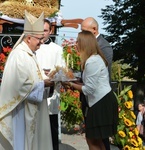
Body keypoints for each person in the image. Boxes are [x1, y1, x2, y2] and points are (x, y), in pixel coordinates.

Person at [0, 11, 53, 150]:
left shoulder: (30, 54)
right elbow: (19, 86)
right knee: (21, 143)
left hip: (30, 108)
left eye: (42, 39)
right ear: (28, 38)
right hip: (21, 111)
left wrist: (46, 79)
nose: (41, 42)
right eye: (39, 39)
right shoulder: (19, 56)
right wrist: (43, 83)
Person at [62, 30, 118, 150]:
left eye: (78, 41)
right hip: (100, 101)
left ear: (85, 44)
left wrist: (70, 84)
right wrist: (74, 81)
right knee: (96, 139)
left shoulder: (92, 61)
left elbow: (88, 89)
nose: (75, 44)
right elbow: (89, 84)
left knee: (92, 139)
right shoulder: (94, 59)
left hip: (101, 103)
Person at [81, 17, 113, 150]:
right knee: (93, 137)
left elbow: (97, 74)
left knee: (98, 138)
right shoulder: (91, 46)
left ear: (94, 30)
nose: (82, 35)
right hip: (90, 97)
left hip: (99, 98)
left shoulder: (104, 46)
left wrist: (74, 84)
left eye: (84, 31)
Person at [36, 19, 66, 150]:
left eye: (45, 30)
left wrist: (53, 73)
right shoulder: (33, 47)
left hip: (51, 94)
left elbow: (63, 71)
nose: (42, 34)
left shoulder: (57, 49)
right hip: (36, 92)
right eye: (40, 30)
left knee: (52, 127)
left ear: (50, 31)